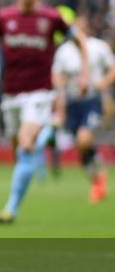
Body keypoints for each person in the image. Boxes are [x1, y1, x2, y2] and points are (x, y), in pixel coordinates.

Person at [0, 0, 89, 224]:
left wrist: (83, 75)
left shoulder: (50, 17)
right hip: (11, 96)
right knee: (19, 151)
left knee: (25, 144)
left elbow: (80, 42)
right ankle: (43, 139)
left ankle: (10, 209)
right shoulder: (5, 17)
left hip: (39, 94)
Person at [52, 16, 114, 203]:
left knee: (83, 138)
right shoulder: (64, 52)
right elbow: (56, 76)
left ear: (86, 28)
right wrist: (60, 102)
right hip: (72, 103)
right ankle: (97, 179)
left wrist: (103, 83)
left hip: (91, 100)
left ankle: (99, 177)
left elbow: (112, 68)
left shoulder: (98, 47)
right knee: (81, 146)